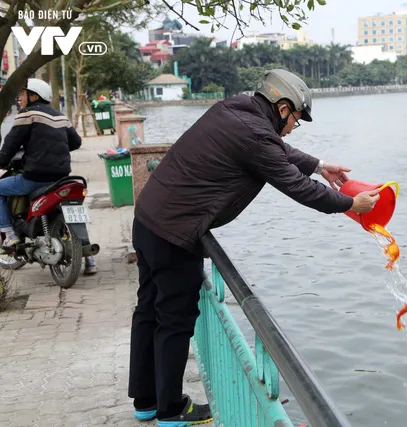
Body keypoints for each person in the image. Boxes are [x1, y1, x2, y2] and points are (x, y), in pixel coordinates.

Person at [128, 69, 381, 424]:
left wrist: (321, 166)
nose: (294, 126)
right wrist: (351, 205)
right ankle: (170, 408)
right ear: (281, 108)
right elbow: (298, 187)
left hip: (149, 220)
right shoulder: (256, 136)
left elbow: (278, 149)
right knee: (174, 320)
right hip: (176, 233)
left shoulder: (235, 109)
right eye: (296, 118)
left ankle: (146, 401)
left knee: (148, 311)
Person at [0, 78, 97, 275]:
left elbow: (10, 145)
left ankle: (9, 234)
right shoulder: (60, 116)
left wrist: (2, 162)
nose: (20, 98)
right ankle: (89, 259)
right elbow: (76, 142)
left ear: (34, 96)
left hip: (34, 178)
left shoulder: (27, 115)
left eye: (23, 94)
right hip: (62, 178)